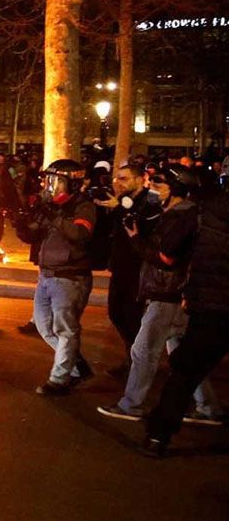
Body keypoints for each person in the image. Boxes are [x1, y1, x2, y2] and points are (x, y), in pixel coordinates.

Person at [98, 166, 221, 423]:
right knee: (185, 358)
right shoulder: (178, 214)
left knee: (143, 351)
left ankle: (131, 405)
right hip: (175, 293)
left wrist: (135, 239)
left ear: (176, 189)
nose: (152, 189)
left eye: (159, 184)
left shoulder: (181, 217)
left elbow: (166, 258)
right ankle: (208, 407)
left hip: (168, 293)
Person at [140, 188, 229, 456]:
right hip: (211, 305)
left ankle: (159, 435)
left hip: (211, 308)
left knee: (186, 372)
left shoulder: (202, 211)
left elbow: (169, 253)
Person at [13, 159, 97, 395]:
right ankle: (77, 366)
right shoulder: (51, 206)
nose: (50, 186)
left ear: (72, 183)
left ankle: (59, 380)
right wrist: (21, 224)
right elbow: (34, 234)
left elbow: (80, 234)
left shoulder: (83, 206)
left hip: (70, 277)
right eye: (49, 180)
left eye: (56, 181)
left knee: (65, 330)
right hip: (46, 275)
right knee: (44, 326)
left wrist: (55, 217)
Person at [91, 164, 157, 376]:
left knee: (132, 316)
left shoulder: (150, 200)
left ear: (140, 179)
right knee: (116, 312)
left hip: (138, 269)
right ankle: (132, 358)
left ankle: (137, 363)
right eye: (117, 178)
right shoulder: (121, 200)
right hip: (119, 266)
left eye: (124, 178)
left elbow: (141, 224)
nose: (118, 183)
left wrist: (118, 206)